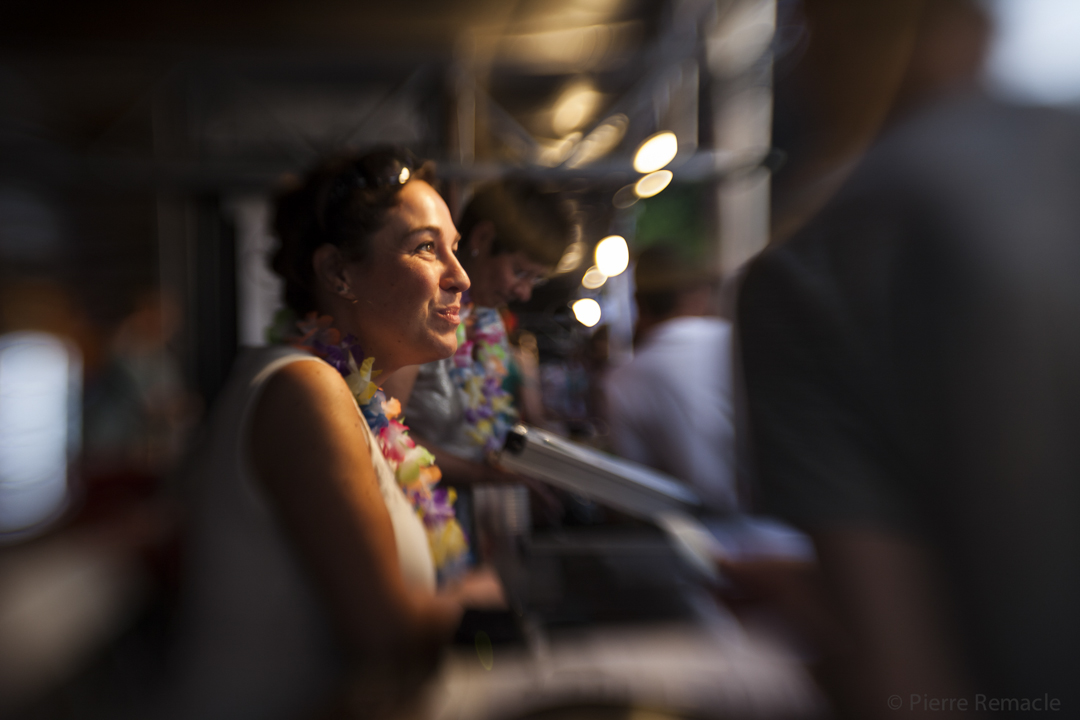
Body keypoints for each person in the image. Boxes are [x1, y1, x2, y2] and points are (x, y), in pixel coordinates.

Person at [738, 1, 1080, 716]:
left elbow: (905, 690)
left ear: (818, 34)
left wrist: (817, 621)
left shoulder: (811, 269)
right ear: (981, 24)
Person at [164, 149, 502, 720]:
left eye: (455, 247)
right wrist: (488, 591)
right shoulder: (307, 389)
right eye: (426, 247)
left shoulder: (356, 400)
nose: (461, 276)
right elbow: (387, 642)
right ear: (337, 272)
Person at [382, 178, 577, 488]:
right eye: (520, 271)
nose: (525, 293)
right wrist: (484, 476)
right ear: (482, 238)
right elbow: (384, 433)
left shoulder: (489, 321)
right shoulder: (422, 313)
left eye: (536, 280)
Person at [603, 245, 738, 513]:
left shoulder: (621, 381)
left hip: (700, 532)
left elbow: (638, 489)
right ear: (700, 294)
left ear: (638, 304)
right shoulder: (741, 342)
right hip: (797, 528)